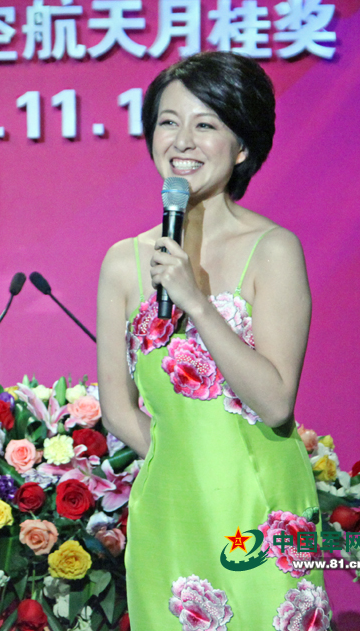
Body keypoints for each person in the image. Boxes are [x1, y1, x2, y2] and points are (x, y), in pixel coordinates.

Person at [96, 52, 329, 629]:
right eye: (168, 122)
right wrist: (185, 464)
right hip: (171, 511)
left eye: (205, 124)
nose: (182, 141)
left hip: (262, 509)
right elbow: (117, 408)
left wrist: (196, 303)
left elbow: (275, 403)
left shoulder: (274, 250)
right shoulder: (123, 263)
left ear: (242, 146)